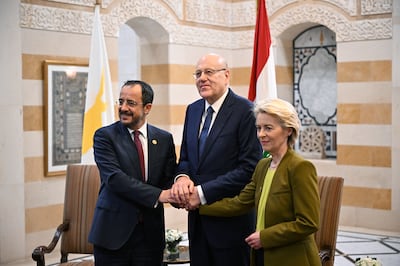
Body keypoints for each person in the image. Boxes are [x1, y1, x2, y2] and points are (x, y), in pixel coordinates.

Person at [199, 98, 321, 266]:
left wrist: (264, 237)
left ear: (288, 130)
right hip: (263, 256)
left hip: (292, 258)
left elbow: (308, 223)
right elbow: (240, 203)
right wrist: (198, 205)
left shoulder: (300, 167)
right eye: (258, 128)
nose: (261, 134)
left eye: (268, 128)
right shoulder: (263, 165)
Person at [170, 53, 262, 266]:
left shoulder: (246, 111)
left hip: (232, 224)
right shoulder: (192, 110)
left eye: (209, 72)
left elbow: (250, 168)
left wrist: (201, 194)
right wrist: (182, 178)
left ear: (226, 75)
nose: (202, 78)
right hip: (197, 223)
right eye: (198, 73)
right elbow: (185, 157)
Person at [88, 80, 177, 266]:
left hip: (150, 238)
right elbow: (114, 179)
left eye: (131, 103)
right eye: (121, 101)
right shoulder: (104, 136)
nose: (123, 108)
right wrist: (159, 195)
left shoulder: (164, 139)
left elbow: (168, 179)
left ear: (147, 107)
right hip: (113, 236)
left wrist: (181, 190)